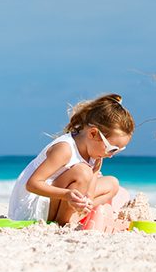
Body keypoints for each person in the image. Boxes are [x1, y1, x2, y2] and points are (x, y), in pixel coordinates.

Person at [7, 94, 133, 225]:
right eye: (112, 148)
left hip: (59, 200)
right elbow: (32, 184)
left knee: (113, 184)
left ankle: (77, 215)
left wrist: (87, 201)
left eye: (118, 150)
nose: (112, 154)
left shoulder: (96, 155)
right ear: (93, 133)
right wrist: (66, 194)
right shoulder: (64, 149)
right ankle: (65, 222)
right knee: (82, 172)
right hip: (33, 208)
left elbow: (90, 189)